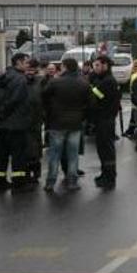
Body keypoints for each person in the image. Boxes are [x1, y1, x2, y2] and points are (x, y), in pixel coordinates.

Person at [41, 58, 90, 193]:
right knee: (73, 155)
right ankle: (72, 182)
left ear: (65, 67)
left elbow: (43, 97)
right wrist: (81, 117)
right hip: (75, 124)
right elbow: (89, 104)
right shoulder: (83, 83)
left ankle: (50, 183)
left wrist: (49, 115)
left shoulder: (55, 82)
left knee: (55, 154)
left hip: (57, 123)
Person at [0, 53, 33, 192]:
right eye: (26, 62)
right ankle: (19, 182)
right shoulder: (20, 79)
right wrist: (4, 112)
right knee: (18, 154)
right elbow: (15, 100)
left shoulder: (3, 76)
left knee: (1, 154)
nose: (29, 65)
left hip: (2, 125)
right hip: (17, 123)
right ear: (19, 62)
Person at [89, 55, 122, 189]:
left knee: (106, 149)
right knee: (102, 149)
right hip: (101, 119)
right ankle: (105, 174)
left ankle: (109, 177)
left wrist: (92, 84)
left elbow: (97, 95)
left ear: (105, 65)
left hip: (105, 119)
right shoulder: (103, 79)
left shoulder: (108, 82)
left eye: (97, 65)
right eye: (94, 65)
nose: (94, 68)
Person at [25, 59, 46, 185]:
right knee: (26, 147)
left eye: (31, 69)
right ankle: (27, 171)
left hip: (36, 119)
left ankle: (35, 170)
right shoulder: (21, 81)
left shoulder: (41, 82)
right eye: (27, 70)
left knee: (35, 145)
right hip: (24, 119)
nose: (29, 72)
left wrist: (43, 115)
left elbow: (45, 98)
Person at [123, 59, 137, 138]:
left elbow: (132, 89)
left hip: (135, 100)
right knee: (134, 117)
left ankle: (136, 133)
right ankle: (131, 130)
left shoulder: (135, 75)